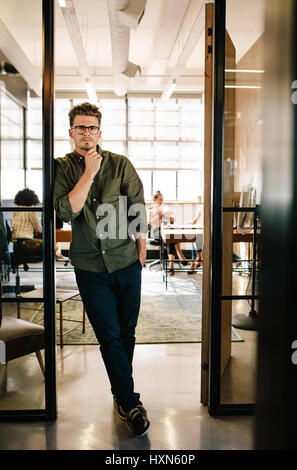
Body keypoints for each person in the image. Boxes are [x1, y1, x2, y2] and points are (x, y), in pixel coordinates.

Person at [53, 102, 150, 437]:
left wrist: (141, 243)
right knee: (108, 334)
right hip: (90, 266)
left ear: (100, 131)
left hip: (125, 261)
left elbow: (136, 203)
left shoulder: (120, 164)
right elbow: (67, 210)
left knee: (127, 333)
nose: (87, 133)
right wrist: (89, 172)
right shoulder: (62, 168)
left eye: (92, 128)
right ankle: (130, 401)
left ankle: (121, 395)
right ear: (71, 132)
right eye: (80, 128)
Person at [11, 188, 66, 261]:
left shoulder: (16, 210)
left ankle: (57, 256)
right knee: (51, 245)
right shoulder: (30, 210)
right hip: (27, 243)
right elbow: (38, 229)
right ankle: (56, 258)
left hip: (16, 245)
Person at [148, 191, 187, 275]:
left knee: (171, 239)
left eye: (162, 200)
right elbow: (149, 223)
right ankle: (180, 259)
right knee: (172, 239)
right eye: (160, 200)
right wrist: (158, 217)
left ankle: (172, 266)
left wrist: (168, 216)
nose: (161, 201)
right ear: (155, 200)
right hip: (156, 232)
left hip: (166, 230)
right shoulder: (151, 210)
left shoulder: (165, 209)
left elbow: (173, 219)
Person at [187, 195, 203, 274]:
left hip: (202, 232)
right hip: (207, 232)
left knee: (195, 239)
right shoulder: (213, 207)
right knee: (196, 239)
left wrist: (187, 223)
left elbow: (194, 222)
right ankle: (198, 259)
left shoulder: (201, 208)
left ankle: (195, 262)